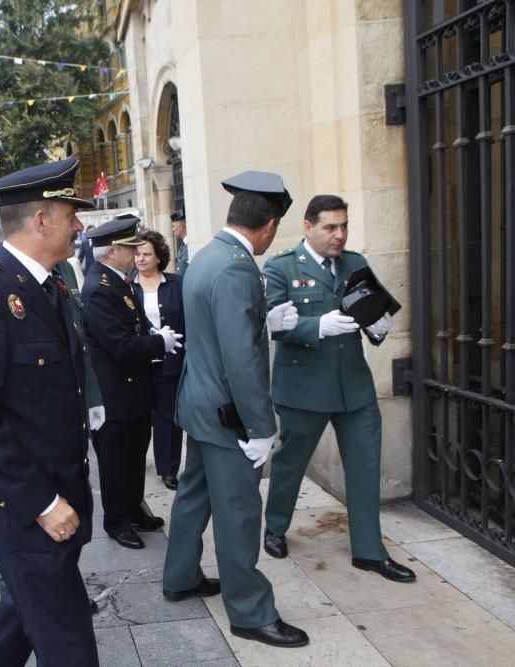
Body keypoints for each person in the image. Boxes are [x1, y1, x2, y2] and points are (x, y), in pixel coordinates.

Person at [0, 157, 99, 666]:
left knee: (18, 621)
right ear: (41, 221)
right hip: (27, 508)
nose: (79, 225)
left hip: (59, 494)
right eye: (71, 214)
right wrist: (42, 502)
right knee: (68, 641)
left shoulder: (47, 286)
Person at [162, 171, 309, 648]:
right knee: (239, 512)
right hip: (227, 413)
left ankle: (180, 575)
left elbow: (217, 327)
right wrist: (262, 426)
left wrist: (261, 319)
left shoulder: (207, 256)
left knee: (193, 496)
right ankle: (250, 612)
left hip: (200, 404)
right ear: (267, 225)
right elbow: (241, 358)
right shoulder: (237, 267)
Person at [261, 194, 415, 583]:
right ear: (308, 227)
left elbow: (372, 310)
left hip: (354, 387)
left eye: (344, 226)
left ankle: (369, 550)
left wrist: (379, 329)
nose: (339, 235)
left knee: (365, 467)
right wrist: (316, 327)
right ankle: (275, 527)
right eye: (330, 227)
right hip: (303, 387)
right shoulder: (280, 268)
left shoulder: (355, 263)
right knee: (290, 464)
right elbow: (270, 325)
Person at [81, 214, 181, 550]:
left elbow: (131, 326)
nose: (136, 252)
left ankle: (134, 507)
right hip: (115, 393)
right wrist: (158, 343)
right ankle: (117, 520)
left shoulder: (116, 280)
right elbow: (120, 346)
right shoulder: (99, 288)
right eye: (130, 247)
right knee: (116, 460)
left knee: (136, 453)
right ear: (112, 251)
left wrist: (151, 333)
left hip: (133, 389)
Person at [132, 229, 185, 491]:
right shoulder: (127, 286)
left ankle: (168, 468)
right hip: (140, 362)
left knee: (168, 416)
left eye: (146, 254)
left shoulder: (176, 284)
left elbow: (187, 321)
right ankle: (136, 464)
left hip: (170, 362)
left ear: (158, 257)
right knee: (141, 417)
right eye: (137, 254)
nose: (140, 259)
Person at [171, 210, 188, 278]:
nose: (173, 229)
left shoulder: (190, 246)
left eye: (174, 226)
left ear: (181, 226)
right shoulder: (183, 245)